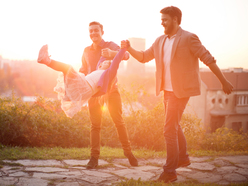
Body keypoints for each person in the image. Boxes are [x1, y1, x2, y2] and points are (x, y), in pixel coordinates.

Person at [121, 6, 233, 183]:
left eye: (165, 19)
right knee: (174, 125)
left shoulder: (189, 38)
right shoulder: (160, 41)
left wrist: (223, 81)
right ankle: (183, 157)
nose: (162, 22)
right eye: (161, 19)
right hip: (167, 90)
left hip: (180, 92)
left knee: (168, 129)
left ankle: (170, 171)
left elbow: (208, 58)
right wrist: (129, 48)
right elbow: (143, 57)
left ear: (175, 19)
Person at [80, 21, 138, 169]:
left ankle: (128, 153)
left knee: (119, 121)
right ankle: (94, 158)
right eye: (91, 31)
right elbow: (83, 70)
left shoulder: (110, 45)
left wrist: (112, 54)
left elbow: (125, 55)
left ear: (102, 32)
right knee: (95, 125)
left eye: (96, 31)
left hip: (111, 90)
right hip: (93, 92)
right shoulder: (86, 50)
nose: (93, 33)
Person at [37, 45, 127, 119]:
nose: (105, 62)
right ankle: (45, 60)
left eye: (108, 62)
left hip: (85, 87)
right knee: (66, 71)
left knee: (67, 68)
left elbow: (116, 61)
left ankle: (47, 60)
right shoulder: (98, 70)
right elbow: (102, 58)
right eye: (104, 62)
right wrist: (105, 54)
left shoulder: (108, 72)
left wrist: (123, 49)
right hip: (82, 88)